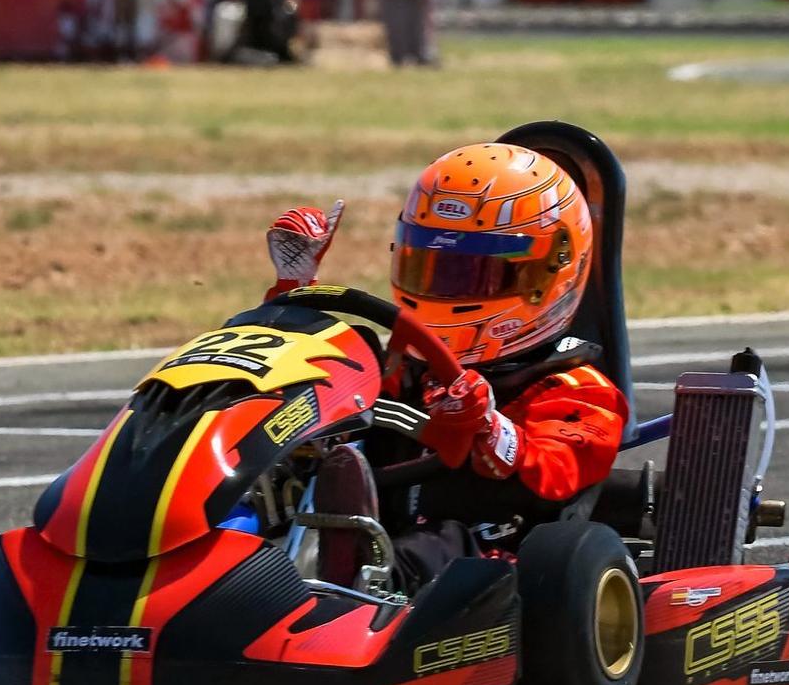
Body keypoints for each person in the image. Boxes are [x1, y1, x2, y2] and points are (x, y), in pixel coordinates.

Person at [262, 144, 629, 580]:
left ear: (546, 274)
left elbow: (554, 472)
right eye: (432, 269)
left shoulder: (579, 388)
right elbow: (326, 391)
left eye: (470, 275)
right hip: (376, 518)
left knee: (442, 541)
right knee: (343, 361)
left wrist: (490, 427)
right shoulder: (407, 367)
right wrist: (291, 298)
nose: (446, 292)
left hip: (495, 560)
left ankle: (353, 576)